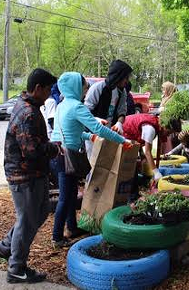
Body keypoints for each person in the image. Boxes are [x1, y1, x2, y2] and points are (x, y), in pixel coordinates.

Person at [0, 68, 61, 284]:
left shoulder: (30, 106)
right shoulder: (28, 113)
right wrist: (54, 149)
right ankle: (16, 268)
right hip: (23, 176)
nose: (50, 93)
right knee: (27, 219)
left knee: (39, 214)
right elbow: (31, 150)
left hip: (34, 174)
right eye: (48, 89)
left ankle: (5, 247)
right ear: (38, 88)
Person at [50, 72, 133, 248]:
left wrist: (89, 137)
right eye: (84, 87)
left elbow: (72, 131)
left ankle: (71, 227)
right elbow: (98, 128)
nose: (86, 91)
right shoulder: (76, 106)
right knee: (65, 197)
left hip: (58, 153)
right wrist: (122, 140)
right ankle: (57, 236)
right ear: (75, 87)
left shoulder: (62, 105)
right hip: (68, 156)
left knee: (71, 194)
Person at [122, 113, 182, 181]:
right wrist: (156, 172)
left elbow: (137, 137)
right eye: (169, 132)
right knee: (128, 166)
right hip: (121, 131)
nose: (168, 135)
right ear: (165, 126)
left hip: (128, 132)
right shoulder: (150, 129)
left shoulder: (156, 123)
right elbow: (148, 152)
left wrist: (142, 155)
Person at [84, 59, 132, 134]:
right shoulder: (97, 88)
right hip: (93, 133)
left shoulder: (122, 92)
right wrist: (95, 120)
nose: (127, 81)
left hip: (110, 133)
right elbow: (85, 112)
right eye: (126, 78)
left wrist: (119, 123)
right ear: (118, 76)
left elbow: (122, 111)